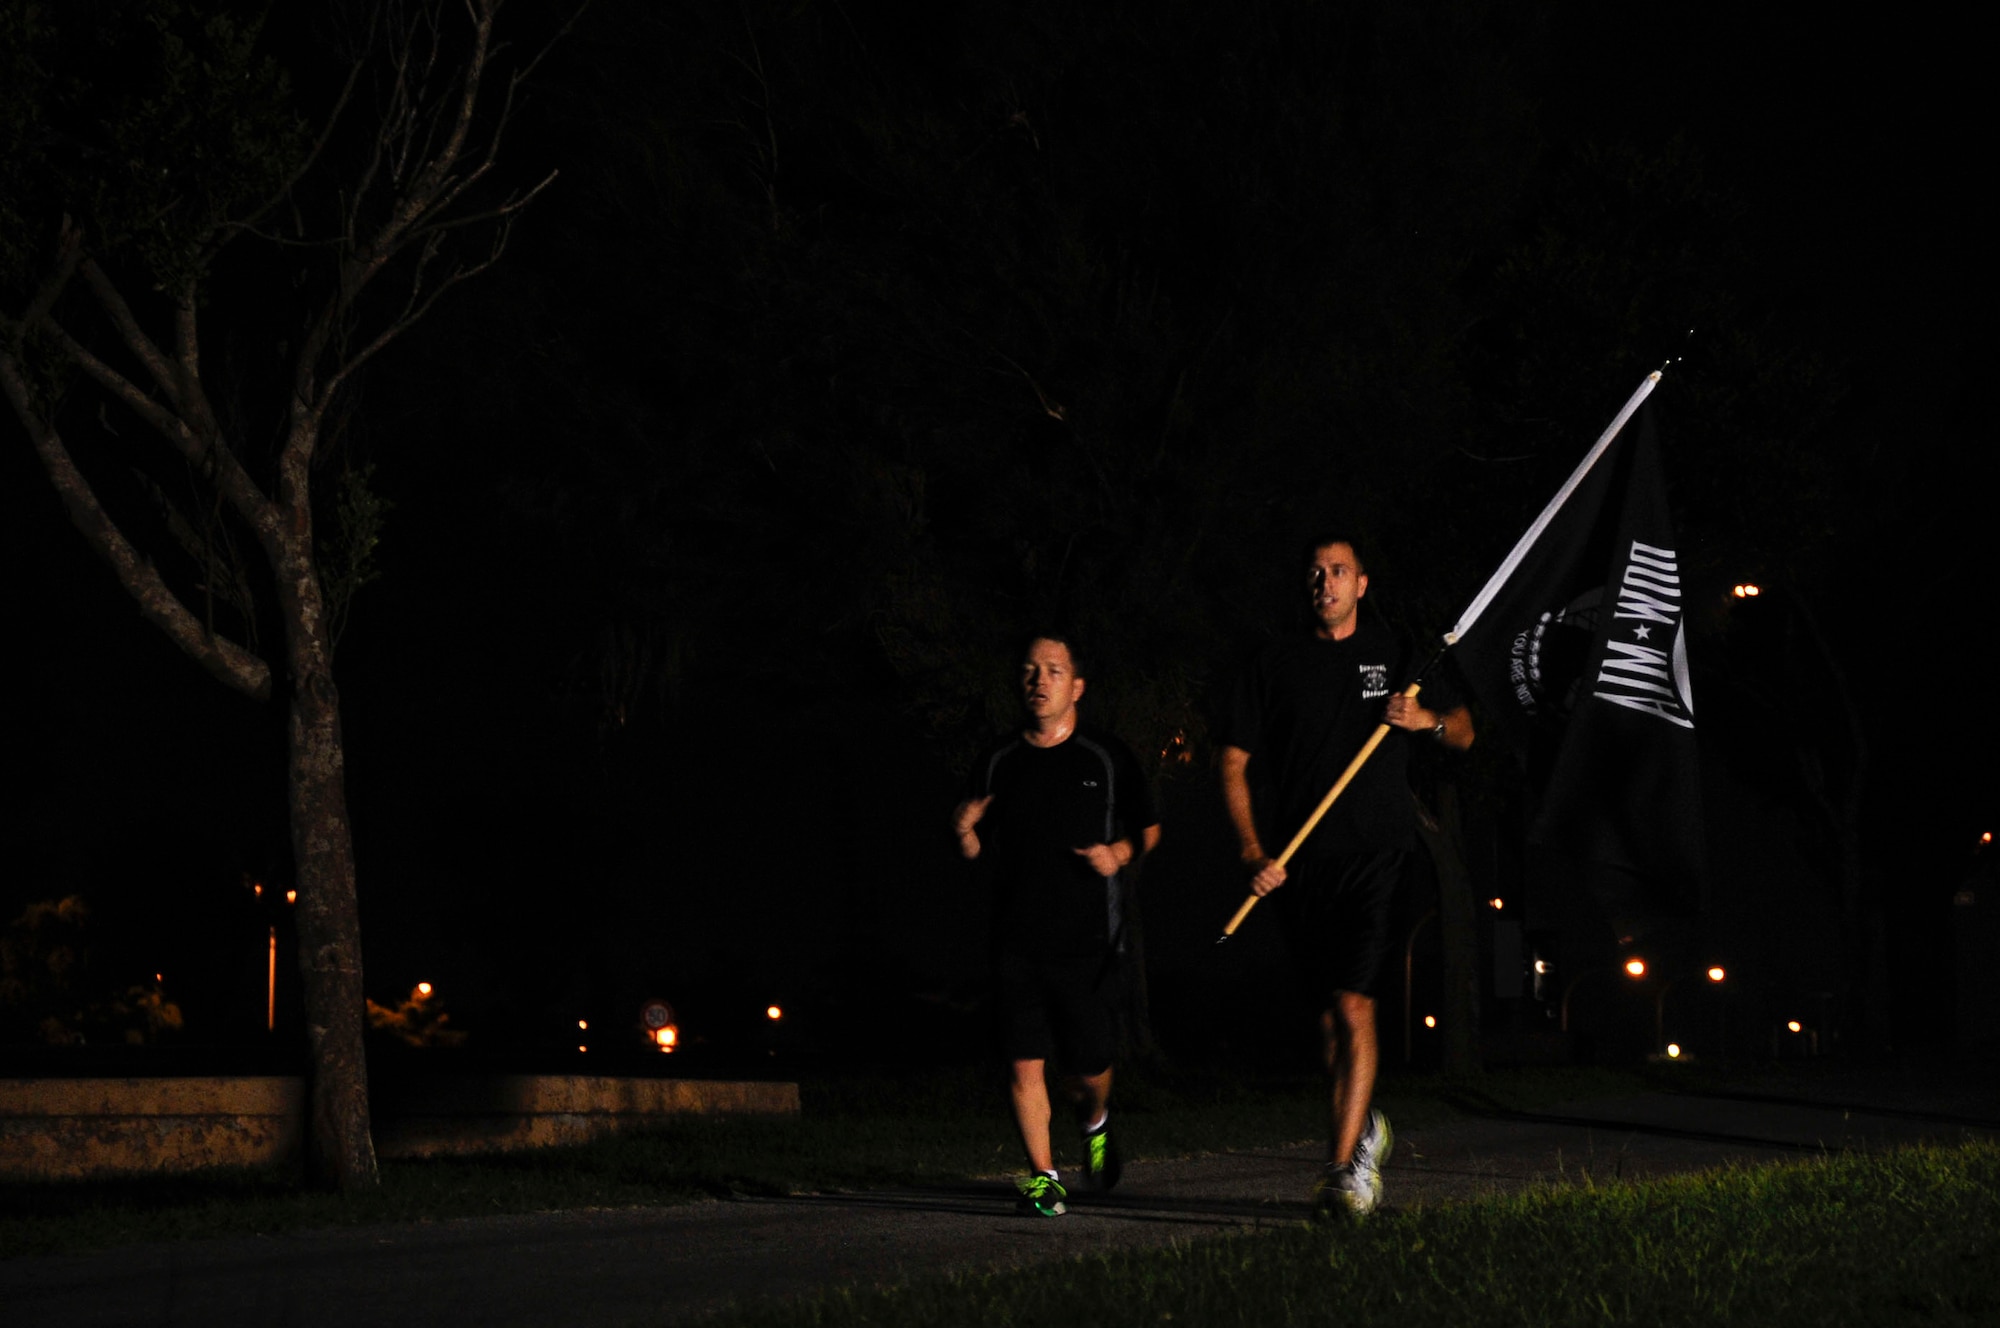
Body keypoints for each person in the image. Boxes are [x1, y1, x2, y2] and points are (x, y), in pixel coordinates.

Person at [1214, 536, 1473, 1217]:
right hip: (1300, 863)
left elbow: (1464, 731)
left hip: (1379, 856)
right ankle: (1361, 1133)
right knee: (1329, 1021)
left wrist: (1426, 720)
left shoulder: (1397, 653)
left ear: (1361, 583)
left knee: (1356, 1005)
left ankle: (1340, 1174)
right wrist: (1252, 852)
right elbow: (1233, 762)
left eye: (1338, 571)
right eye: (1315, 573)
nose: (1324, 582)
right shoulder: (1274, 662)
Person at [953, 634, 1161, 1218]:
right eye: (1029, 670)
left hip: (1089, 941)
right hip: (1015, 938)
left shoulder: (1105, 756)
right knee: (1023, 1060)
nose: (1038, 680)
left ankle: (1095, 1120)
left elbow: (1149, 829)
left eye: (1053, 670)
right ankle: (1045, 1180)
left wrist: (1118, 854)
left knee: (1088, 1069)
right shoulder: (998, 759)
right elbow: (975, 849)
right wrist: (963, 831)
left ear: (1077, 687)